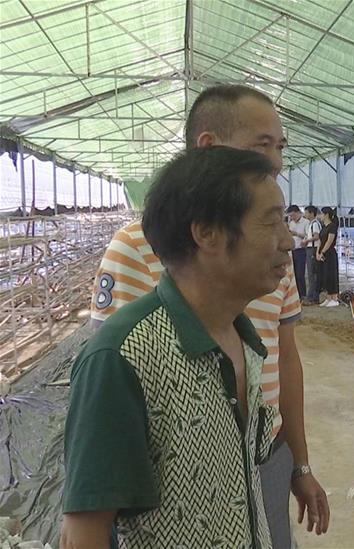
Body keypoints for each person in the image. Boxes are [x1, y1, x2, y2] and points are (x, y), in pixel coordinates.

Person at [89, 85, 329, 547]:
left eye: (281, 147)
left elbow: (286, 360)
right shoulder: (136, 249)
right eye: (262, 145)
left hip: (265, 449)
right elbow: (109, 387)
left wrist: (299, 462)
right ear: (208, 147)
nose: (276, 162)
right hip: (177, 468)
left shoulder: (271, 253)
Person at [61, 147, 288, 548]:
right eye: (271, 223)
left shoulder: (245, 337)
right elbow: (84, 532)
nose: (288, 240)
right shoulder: (122, 358)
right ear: (207, 234)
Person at [316, 207, 340, 308]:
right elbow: (320, 241)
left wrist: (323, 252)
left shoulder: (332, 226)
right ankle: (328, 297)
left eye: (321, 214)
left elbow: (329, 241)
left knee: (331, 275)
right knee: (325, 276)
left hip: (329, 254)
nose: (320, 216)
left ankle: (334, 298)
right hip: (323, 253)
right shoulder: (323, 227)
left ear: (326, 214)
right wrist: (318, 252)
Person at [287, 205, 309, 297]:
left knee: (300, 274)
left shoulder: (306, 222)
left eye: (293, 215)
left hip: (301, 250)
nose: (292, 217)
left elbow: (308, 236)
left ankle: (302, 294)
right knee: (293, 274)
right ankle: (295, 294)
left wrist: (296, 233)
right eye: (290, 216)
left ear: (298, 212)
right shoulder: (291, 223)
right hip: (292, 250)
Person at [302, 206, 322, 306]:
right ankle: (312, 296)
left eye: (306, 212)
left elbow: (316, 236)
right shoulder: (311, 224)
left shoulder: (315, 224)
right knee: (311, 274)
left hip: (313, 249)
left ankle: (312, 297)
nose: (305, 214)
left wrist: (306, 241)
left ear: (311, 213)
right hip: (311, 248)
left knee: (312, 274)